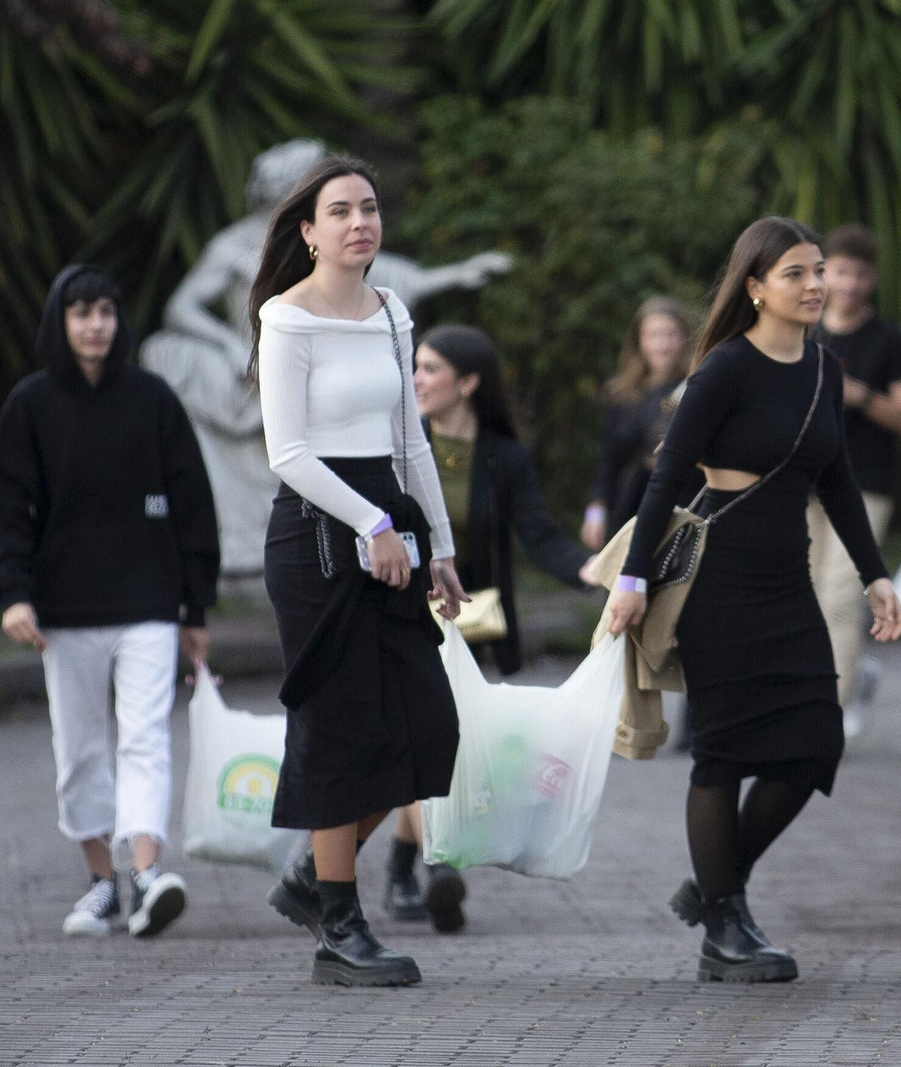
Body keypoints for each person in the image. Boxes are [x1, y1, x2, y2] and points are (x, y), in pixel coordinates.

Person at [605, 216, 901, 983]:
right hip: (719, 579)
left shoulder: (823, 370)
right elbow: (666, 475)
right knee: (725, 752)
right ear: (755, 287)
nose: (816, 286)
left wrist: (875, 573)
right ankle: (725, 922)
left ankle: (714, 885)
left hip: (785, 576)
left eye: (820, 272)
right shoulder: (724, 369)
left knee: (815, 742)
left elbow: (835, 476)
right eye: (798, 274)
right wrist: (634, 580)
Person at [247, 154, 468, 987]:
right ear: (308, 231)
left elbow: (411, 441)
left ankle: (311, 875)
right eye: (338, 211)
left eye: (369, 208)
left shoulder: (391, 311)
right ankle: (340, 924)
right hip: (316, 538)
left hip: (390, 529)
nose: (358, 223)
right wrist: (373, 522)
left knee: (428, 726)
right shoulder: (287, 319)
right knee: (341, 728)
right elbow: (289, 452)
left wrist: (437, 546)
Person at [0, 264, 220, 940]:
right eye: (82, 312)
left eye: (107, 312)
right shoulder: (29, 405)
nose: (96, 325)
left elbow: (192, 507)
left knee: (146, 738)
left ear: (120, 321)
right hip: (61, 611)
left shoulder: (153, 401)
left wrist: (194, 609)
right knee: (80, 749)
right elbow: (4, 508)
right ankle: (100, 884)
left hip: (148, 602)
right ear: (61, 320)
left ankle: (146, 875)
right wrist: (13, 593)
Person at [379, 323, 596, 932]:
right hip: (408, 614)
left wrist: (595, 572)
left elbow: (540, 536)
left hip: (476, 620)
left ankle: (402, 865)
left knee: (453, 747)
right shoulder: (399, 445)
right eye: (414, 367)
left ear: (469, 382)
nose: (416, 380)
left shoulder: (506, 458)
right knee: (423, 739)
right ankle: (435, 864)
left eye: (431, 370)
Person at [808, 224, 901, 736]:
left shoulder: (890, 341)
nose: (850, 284)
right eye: (840, 271)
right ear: (823, 273)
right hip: (803, 482)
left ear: (873, 279)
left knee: (839, 594)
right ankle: (833, 684)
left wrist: (861, 397)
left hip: (864, 484)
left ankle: (831, 709)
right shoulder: (805, 330)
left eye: (860, 274)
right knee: (804, 593)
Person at [581, 297, 697, 550]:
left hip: (682, 507)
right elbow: (608, 460)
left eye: (670, 335)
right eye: (654, 335)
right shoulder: (622, 394)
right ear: (640, 341)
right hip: (630, 507)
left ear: (684, 339)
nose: (663, 345)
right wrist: (596, 510)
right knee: (626, 585)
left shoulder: (697, 389)